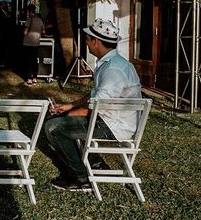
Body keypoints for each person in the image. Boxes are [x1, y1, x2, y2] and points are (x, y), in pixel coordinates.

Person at [44, 18, 142, 192]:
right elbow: (96, 95)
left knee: (54, 127)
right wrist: (69, 106)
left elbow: (98, 106)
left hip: (113, 125)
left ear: (96, 41)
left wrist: (69, 114)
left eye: (88, 40)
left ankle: (80, 178)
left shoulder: (113, 69)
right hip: (111, 119)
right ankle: (95, 163)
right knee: (63, 119)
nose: (87, 43)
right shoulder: (112, 63)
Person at [22, 5, 45, 85]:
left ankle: (29, 78)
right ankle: (35, 77)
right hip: (36, 42)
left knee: (29, 61)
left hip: (28, 42)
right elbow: (43, 31)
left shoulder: (28, 20)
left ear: (30, 11)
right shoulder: (40, 20)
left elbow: (25, 32)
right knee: (35, 60)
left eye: (28, 11)